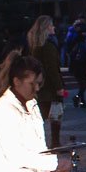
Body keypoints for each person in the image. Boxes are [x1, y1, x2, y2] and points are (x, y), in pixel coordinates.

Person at [0, 53, 72, 172]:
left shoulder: (31, 104)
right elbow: (18, 156)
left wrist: (55, 167)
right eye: (32, 84)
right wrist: (55, 164)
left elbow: (38, 148)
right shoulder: (4, 110)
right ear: (17, 81)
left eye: (39, 83)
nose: (37, 88)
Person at [26, 15, 65, 147]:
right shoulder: (48, 46)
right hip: (50, 89)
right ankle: (54, 143)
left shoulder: (35, 46)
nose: (54, 27)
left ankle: (46, 143)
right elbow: (52, 68)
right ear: (46, 28)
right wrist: (59, 88)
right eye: (51, 25)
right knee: (55, 116)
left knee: (41, 117)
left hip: (41, 87)